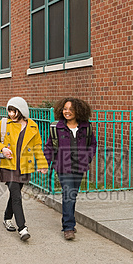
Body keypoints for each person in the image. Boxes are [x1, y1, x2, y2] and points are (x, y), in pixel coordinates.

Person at [0, 97, 48, 241]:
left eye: (13, 111)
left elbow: (37, 147)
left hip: (24, 167)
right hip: (8, 166)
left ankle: (7, 218)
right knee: (16, 196)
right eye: (9, 110)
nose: (10, 114)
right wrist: (3, 148)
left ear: (21, 110)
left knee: (14, 195)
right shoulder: (4, 124)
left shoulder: (33, 127)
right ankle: (22, 228)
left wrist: (42, 164)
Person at [44, 98, 97, 240]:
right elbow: (49, 147)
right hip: (63, 166)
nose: (67, 112)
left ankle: (69, 223)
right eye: (65, 109)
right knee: (68, 194)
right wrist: (45, 163)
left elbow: (92, 144)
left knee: (72, 195)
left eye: (71, 109)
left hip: (80, 166)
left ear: (78, 111)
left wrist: (88, 157)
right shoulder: (57, 127)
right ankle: (68, 227)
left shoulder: (86, 127)